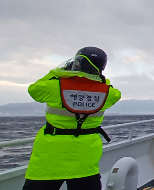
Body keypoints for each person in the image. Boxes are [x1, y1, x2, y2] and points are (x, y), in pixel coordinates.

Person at [23, 47, 122, 190]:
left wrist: (59, 72)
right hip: (86, 157)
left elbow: (34, 90)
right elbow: (114, 92)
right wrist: (97, 78)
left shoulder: (54, 85)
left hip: (50, 156)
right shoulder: (109, 93)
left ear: (77, 63)